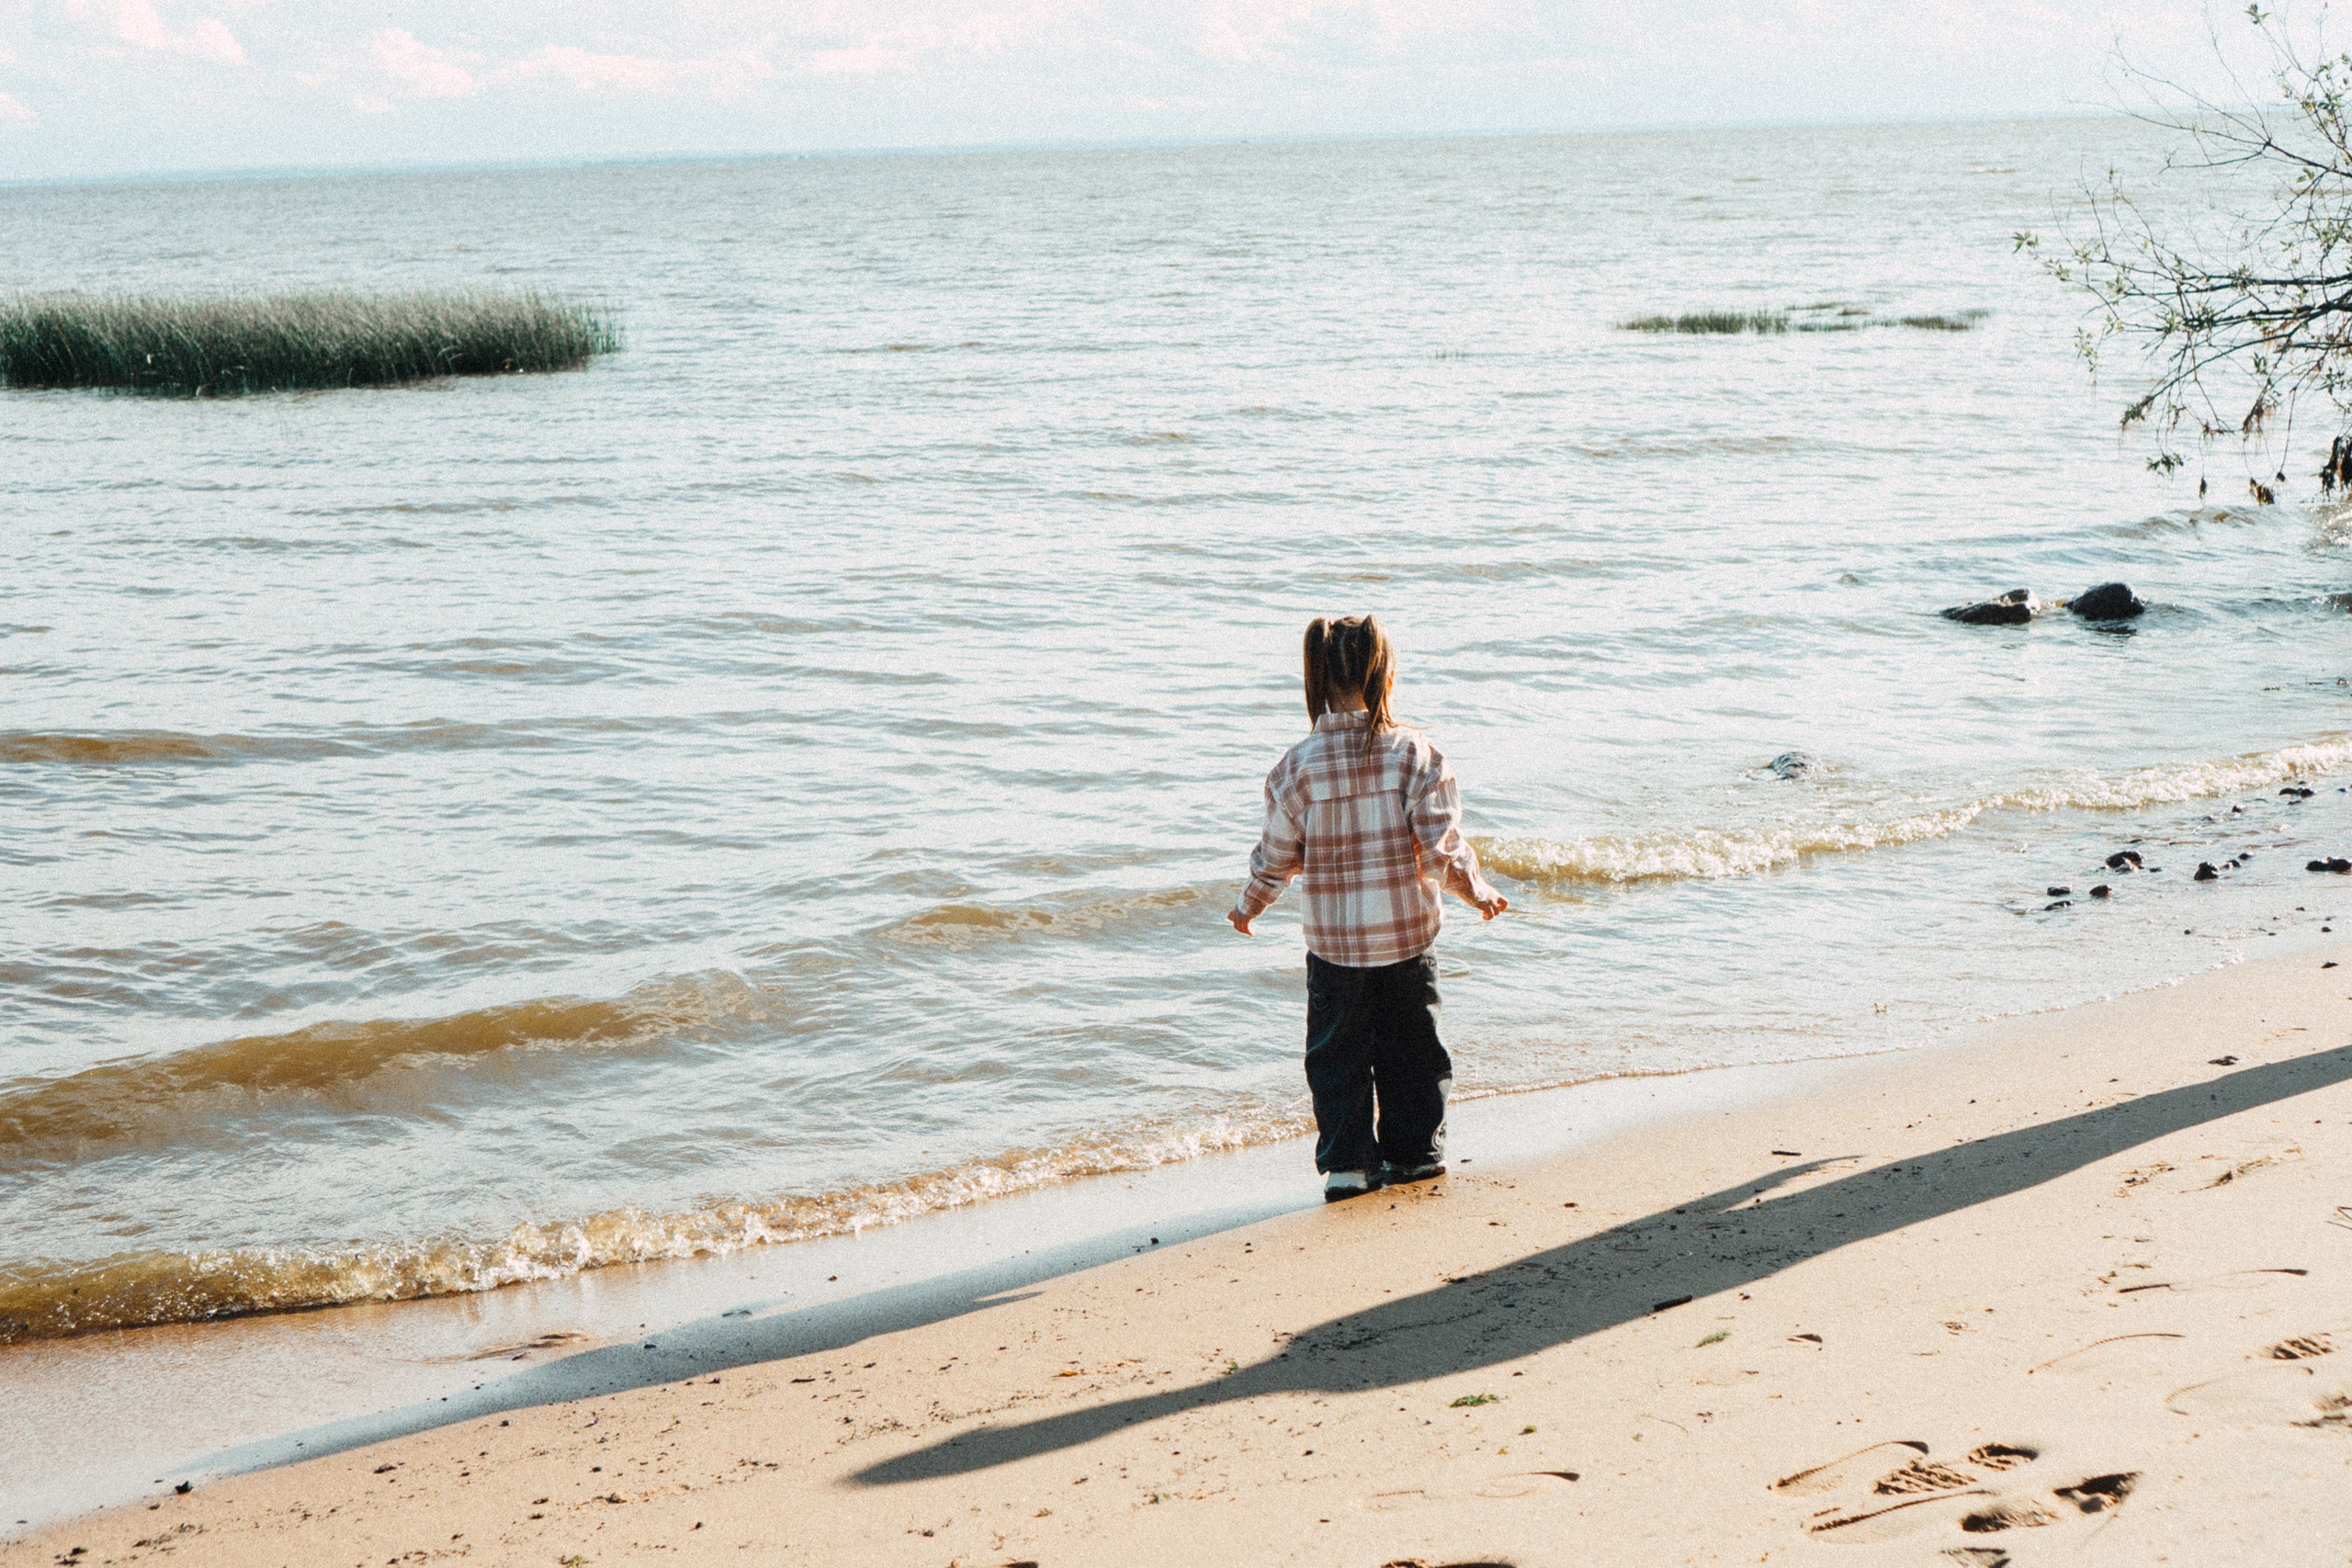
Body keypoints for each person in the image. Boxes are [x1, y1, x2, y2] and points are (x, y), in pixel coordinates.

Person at [1227, 614, 1507, 1201]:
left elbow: (1277, 855)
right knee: (1414, 1052)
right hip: (1407, 935)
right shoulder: (1416, 754)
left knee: (1336, 1057)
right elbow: (1440, 850)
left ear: (1314, 677)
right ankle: (1414, 1156)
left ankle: (1350, 1165)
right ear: (1382, 672)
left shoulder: (1295, 767)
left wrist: (1250, 905)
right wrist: (1475, 889)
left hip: (1334, 946)